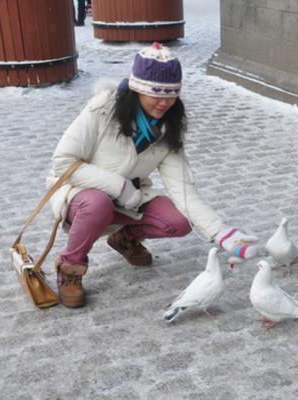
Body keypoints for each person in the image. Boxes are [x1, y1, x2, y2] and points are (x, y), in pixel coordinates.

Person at [46, 43, 257, 308]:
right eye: (156, 94)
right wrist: (119, 187)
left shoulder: (168, 131)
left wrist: (222, 233)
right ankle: (70, 269)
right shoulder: (102, 110)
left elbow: (184, 190)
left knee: (179, 221)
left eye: (171, 96)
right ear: (138, 89)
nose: (164, 103)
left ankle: (125, 239)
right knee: (97, 203)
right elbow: (63, 163)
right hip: (80, 195)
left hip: (130, 200)